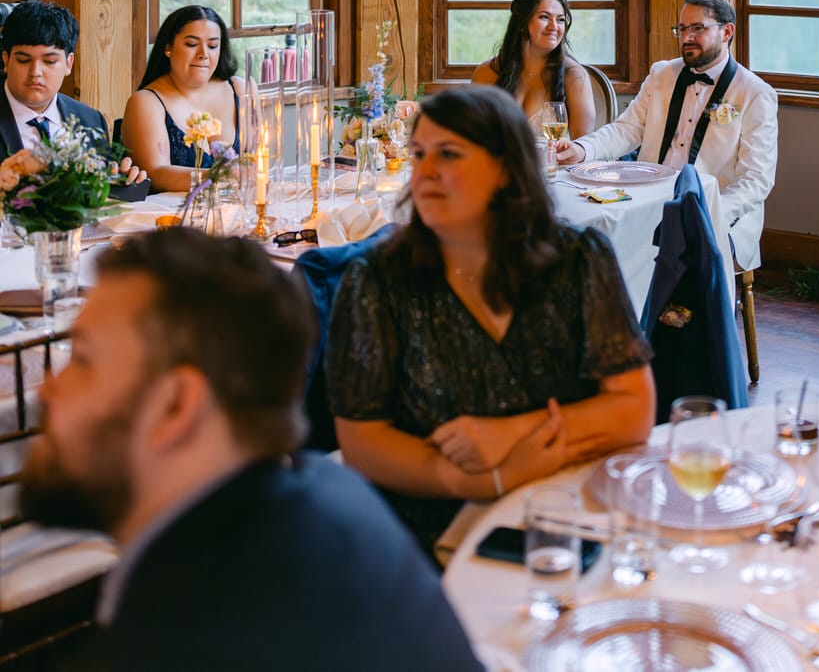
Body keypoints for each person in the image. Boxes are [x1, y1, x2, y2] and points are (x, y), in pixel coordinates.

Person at [19, 229, 483, 672]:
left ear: (177, 405)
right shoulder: (332, 495)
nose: (47, 391)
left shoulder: (175, 651)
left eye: (82, 361)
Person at [327, 84, 654, 553]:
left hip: (568, 509)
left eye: (449, 155)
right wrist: (477, 480)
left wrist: (510, 432)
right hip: (427, 526)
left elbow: (633, 408)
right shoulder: (378, 280)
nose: (425, 173)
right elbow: (362, 441)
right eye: (419, 155)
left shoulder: (578, 260)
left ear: (505, 169)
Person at [556, 0, 777, 272]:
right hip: (649, 202)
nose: (686, 37)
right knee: (597, 237)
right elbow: (626, 130)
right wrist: (582, 149)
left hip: (717, 213)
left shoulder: (755, 93)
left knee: (673, 250)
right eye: (682, 29)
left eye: (698, 28)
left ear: (727, 31)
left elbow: (756, 180)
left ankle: (681, 314)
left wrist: (708, 213)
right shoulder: (662, 74)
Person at [0, 0, 144, 182]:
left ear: (68, 63)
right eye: (23, 60)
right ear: (6, 61)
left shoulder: (90, 120)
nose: (35, 72)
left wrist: (119, 180)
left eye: (50, 61)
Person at [121, 5, 242, 193]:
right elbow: (155, 173)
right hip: (173, 217)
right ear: (168, 47)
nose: (203, 54)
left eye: (212, 46)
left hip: (240, 212)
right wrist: (218, 178)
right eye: (192, 44)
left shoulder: (240, 90)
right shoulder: (147, 102)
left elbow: (261, 162)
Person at [471, 0, 596, 138]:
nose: (554, 27)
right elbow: (474, 138)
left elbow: (582, 146)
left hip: (556, 162)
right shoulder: (487, 73)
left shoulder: (575, 77)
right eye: (544, 17)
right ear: (522, 22)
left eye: (561, 20)